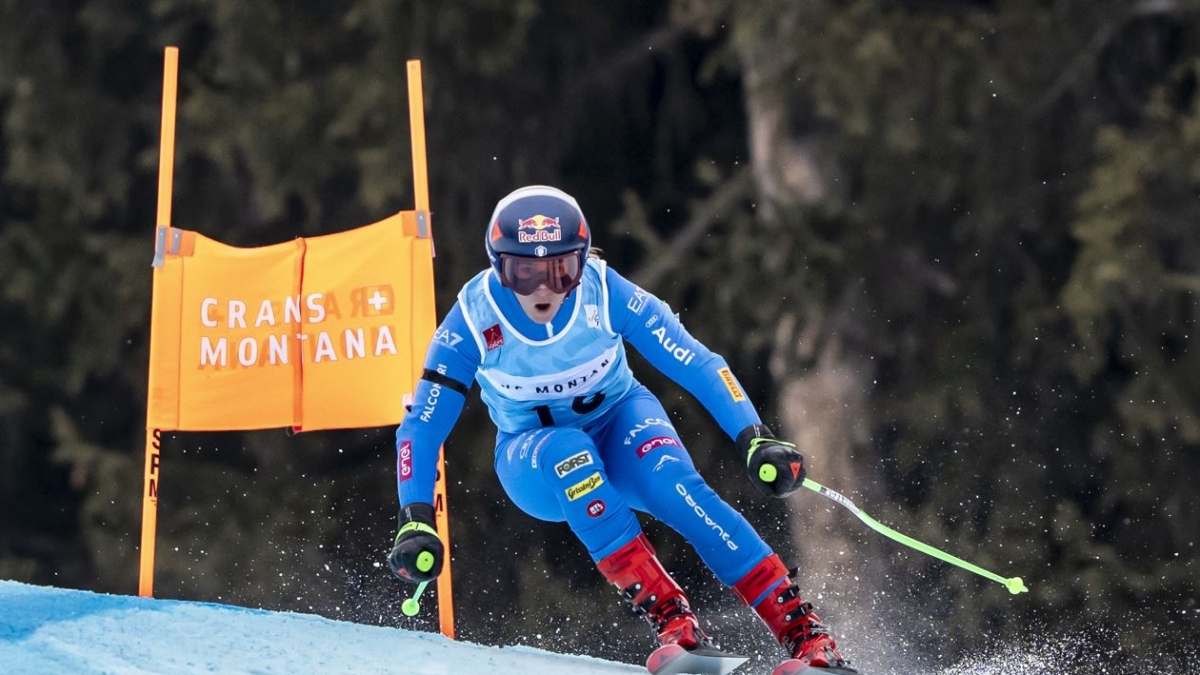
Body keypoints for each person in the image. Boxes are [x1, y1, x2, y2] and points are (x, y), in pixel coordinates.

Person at [387, 185, 852, 672]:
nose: (544, 289)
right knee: (569, 450)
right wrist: (415, 515)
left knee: (680, 490)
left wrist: (754, 437)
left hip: (620, 422)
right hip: (533, 459)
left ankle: (808, 640)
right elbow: (421, 426)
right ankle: (675, 622)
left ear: (583, 262)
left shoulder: (605, 292)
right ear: (498, 267)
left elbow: (695, 361)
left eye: (562, 270)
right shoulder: (472, 318)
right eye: (523, 272)